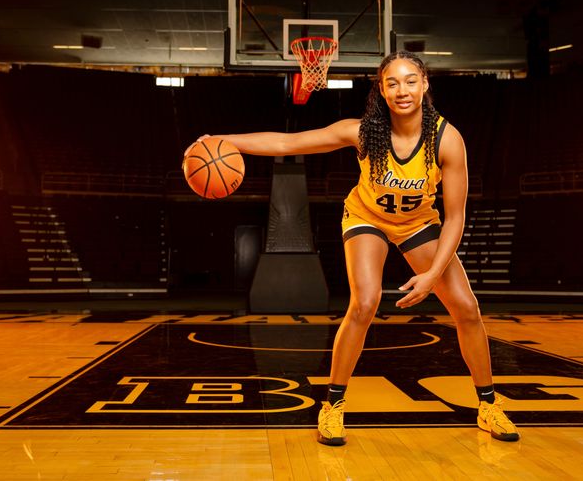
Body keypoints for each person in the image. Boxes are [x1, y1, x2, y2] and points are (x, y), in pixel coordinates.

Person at [189, 50, 519, 446]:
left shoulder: (448, 140)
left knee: (466, 308)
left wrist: (432, 275)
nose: (402, 90)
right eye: (392, 83)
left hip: (418, 223)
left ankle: (488, 404)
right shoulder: (363, 132)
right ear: (382, 90)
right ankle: (332, 404)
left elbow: (456, 218)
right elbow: (289, 142)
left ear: (425, 84)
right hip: (367, 217)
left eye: (410, 81)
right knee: (364, 302)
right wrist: (224, 140)